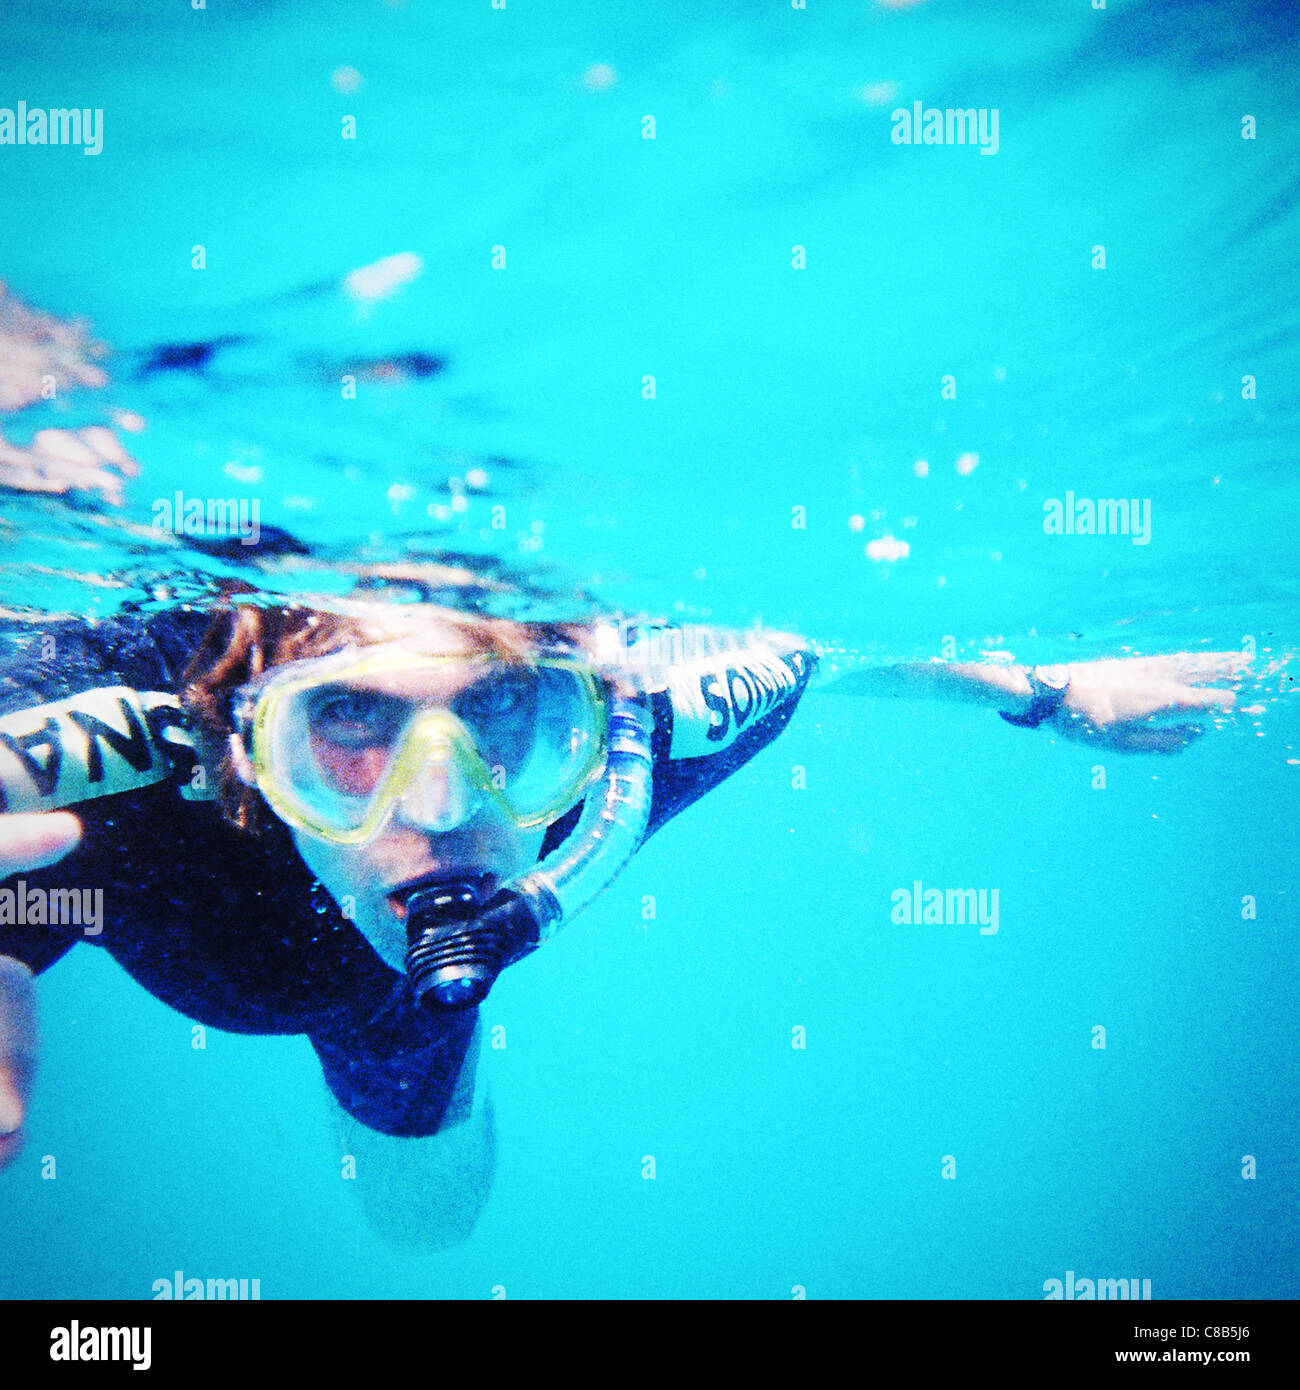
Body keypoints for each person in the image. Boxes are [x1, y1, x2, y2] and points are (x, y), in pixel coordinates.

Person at [0, 586, 1248, 1244]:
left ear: (577, 731)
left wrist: (1051, 692)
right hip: (346, 987)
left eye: (499, 721)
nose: (438, 809)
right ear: (242, 743)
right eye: (349, 723)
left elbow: (839, 645)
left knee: (430, 1225)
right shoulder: (120, 806)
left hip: (415, 1023)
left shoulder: (641, 744)